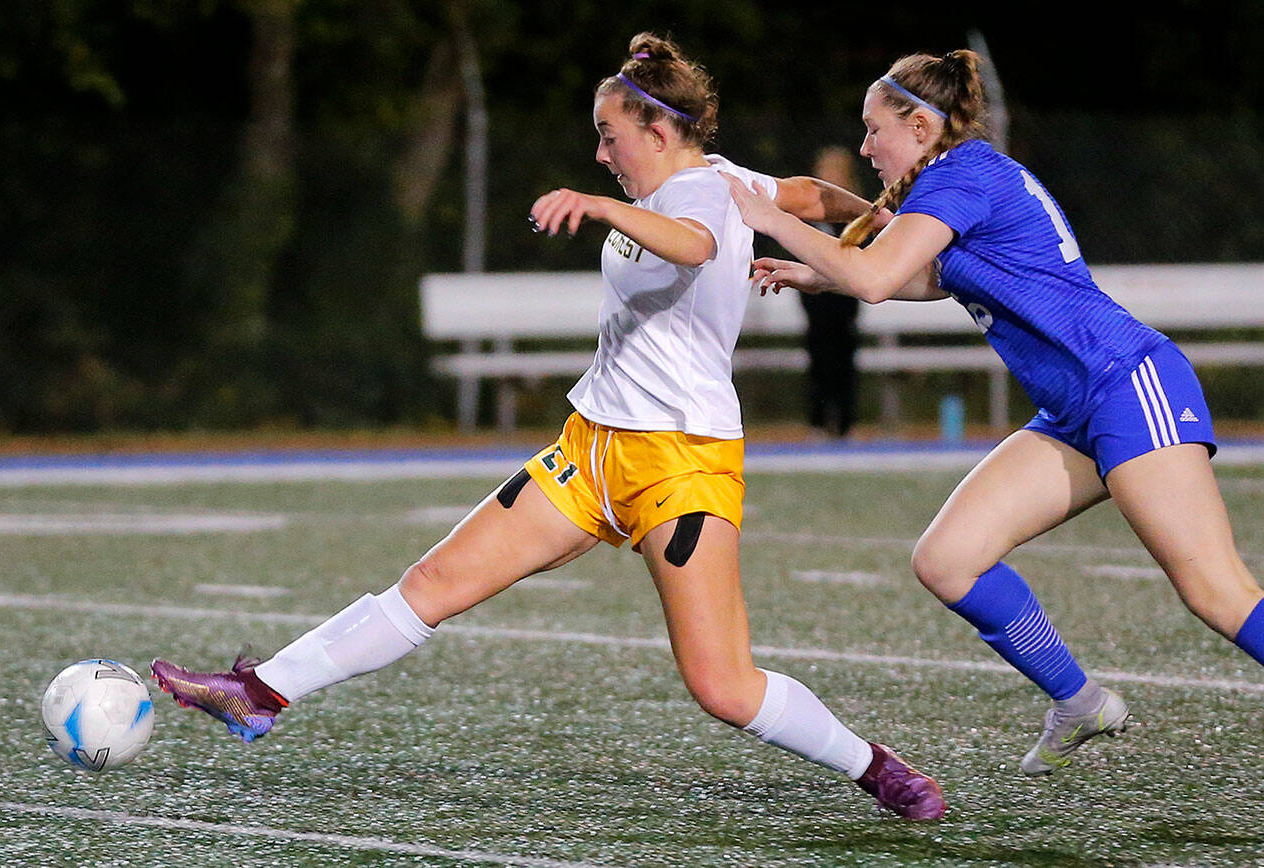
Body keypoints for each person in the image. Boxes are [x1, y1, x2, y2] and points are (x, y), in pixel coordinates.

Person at [151, 33, 945, 820]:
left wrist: (600, 206)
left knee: (723, 686)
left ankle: (873, 767)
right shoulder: (725, 177)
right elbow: (802, 194)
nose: (601, 155)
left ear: (659, 134)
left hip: (681, 465)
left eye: (610, 137)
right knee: (429, 585)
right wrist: (880, 210)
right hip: (589, 449)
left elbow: (698, 245)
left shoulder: (699, 197)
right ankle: (259, 693)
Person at [726, 49, 1264, 777]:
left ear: (920, 126)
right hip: (1073, 410)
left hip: (1126, 383)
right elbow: (930, 277)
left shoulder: (963, 175)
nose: (864, 147)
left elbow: (880, 276)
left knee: (1213, 589)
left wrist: (769, 219)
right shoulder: (953, 178)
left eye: (873, 129)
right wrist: (825, 276)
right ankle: (1078, 701)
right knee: (947, 562)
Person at [799, 146, 862, 437]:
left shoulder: (854, 215)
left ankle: (846, 425)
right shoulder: (808, 215)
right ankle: (818, 423)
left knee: (844, 368)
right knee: (818, 367)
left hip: (845, 307)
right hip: (816, 308)